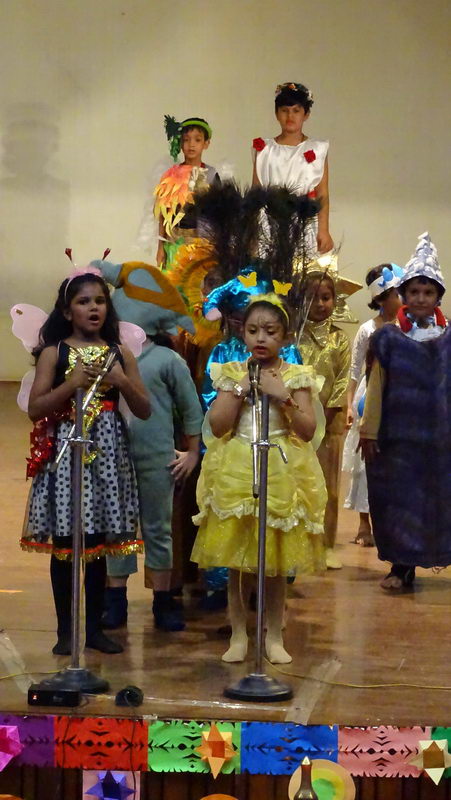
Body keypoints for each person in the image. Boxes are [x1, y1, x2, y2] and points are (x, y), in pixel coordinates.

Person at [21, 269, 150, 655]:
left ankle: (94, 629)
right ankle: (65, 632)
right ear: (67, 311)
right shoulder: (54, 353)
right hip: (67, 456)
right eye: (83, 302)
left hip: (108, 456)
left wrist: (121, 381)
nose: (93, 308)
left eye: (99, 301)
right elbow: (35, 408)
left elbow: (144, 408)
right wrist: (71, 383)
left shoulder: (120, 353)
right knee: (66, 542)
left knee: (96, 543)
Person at [191, 297, 326, 664]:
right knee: (238, 560)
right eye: (253, 331)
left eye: (270, 331)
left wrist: (283, 398)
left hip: (279, 467)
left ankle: (274, 634)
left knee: (275, 562)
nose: (261, 338)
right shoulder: (232, 372)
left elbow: (307, 429)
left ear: (285, 336)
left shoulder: (296, 375)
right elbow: (218, 425)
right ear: (243, 333)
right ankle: (238, 633)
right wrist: (240, 389)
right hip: (238, 465)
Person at [96, 260, 204, 632]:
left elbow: (191, 409)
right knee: (118, 529)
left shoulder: (166, 359)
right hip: (112, 458)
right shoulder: (107, 356)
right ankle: (115, 601)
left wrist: (192, 452)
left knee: (158, 528)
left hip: (158, 459)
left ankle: (163, 600)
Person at [360, 233, 450, 590]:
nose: (421, 298)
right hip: (398, 442)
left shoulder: (449, 340)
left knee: (440, 500)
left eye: (428, 292)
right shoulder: (388, 339)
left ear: (438, 296)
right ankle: (401, 566)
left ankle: (438, 553)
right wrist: (369, 431)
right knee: (399, 503)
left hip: (441, 441)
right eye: (414, 291)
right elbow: (376, 388)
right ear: (403, 295)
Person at [343, 263, 403, 546]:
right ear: (381, 298)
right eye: (396, 293)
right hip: (370, 397)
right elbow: (355, 370)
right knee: (366, 461)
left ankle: (392, 522)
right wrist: (349, 406)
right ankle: (364, 523)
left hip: (398, 396)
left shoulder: (408, 327)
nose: (401, 298)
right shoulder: (367, 330)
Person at [299, 271, 351, 569]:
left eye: (326, 297)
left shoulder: (339, 339)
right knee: (299, 484)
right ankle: (299, 544)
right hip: (296, 423)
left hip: (328, 425)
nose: (319, 304)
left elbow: (342, 381)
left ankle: (326, 545)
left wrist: (326, 416)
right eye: (312, 297)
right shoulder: (292, 335)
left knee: (328, 486)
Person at [252, 82, 333, 255]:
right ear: (277, 113)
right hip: (270, 221)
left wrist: (324, 230)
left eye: (296, 111)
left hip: (304, 221)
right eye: (284, 110)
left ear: (306, 114)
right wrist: (252, 232)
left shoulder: (317, 149)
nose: (290, 116)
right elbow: (256, 192)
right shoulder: (264, 149)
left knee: (302, 266)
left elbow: (322, 193)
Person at [155, 116, 219, 270]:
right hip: (174, 242)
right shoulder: (171, 175)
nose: (191, 144)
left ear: (206, 143)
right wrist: (160, 247)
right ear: (180, 143)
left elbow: (218, 214)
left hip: (202, 243)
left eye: (197, 140)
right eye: (186, 140)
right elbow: (164, 214)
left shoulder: (211, 175)